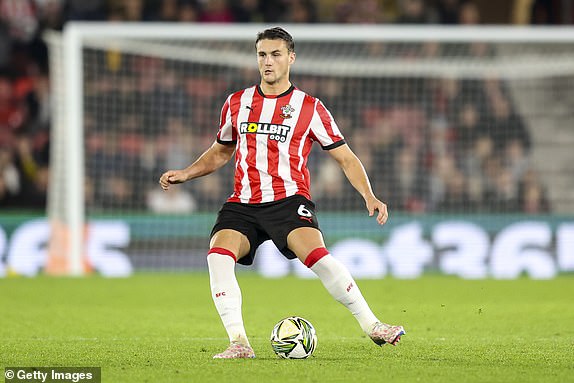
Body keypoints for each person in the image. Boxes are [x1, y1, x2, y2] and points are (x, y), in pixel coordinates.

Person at [159, 27, 405, 359]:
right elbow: (221, 151)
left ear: (291, 57)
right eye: (262, 54)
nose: (267, 61)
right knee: (218, 255)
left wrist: (369, 195)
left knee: (317, 257)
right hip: (243, 202)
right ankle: (239, 343)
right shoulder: (237, 102)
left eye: (275, 54)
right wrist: (186, 173)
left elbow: (345, 157)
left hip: (288, 201)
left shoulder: (310, 107)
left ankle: (373, 326)